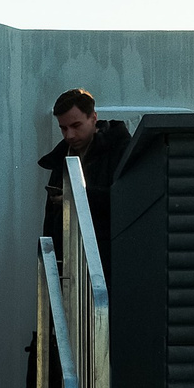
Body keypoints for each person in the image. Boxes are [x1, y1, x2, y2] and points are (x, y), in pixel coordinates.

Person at [40, 88, 130, 274]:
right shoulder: (62, 156)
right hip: (70, 266)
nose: (69, 135)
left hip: (108, 266)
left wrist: (77, 196)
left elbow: (126, 201)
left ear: (94, 118)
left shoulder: (119, 151)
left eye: (76, 125)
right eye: (63, 128)